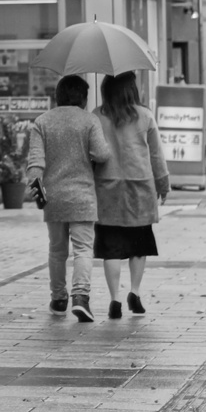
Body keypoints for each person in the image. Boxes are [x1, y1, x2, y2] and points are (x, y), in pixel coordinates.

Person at [27, 74, 111, 323]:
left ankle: (59, 299)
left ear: (58, 96)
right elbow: (101, 154)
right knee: (83, 249)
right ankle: (81, 298)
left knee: (57, 250)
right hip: (83, 196)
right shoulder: (89, 120)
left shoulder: (42, 122)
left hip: (53, 198)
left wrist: (39, 194)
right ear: (83, 98)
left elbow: (35, 165)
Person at [93, 71, 169, 319]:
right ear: (131, 90)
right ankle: (134, 292)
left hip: (107, 188)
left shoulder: (97, 117)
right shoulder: (145, 116)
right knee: (139, 244)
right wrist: (163, 184)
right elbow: (156, 155)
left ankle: (114, 298)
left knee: (111, 246)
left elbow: (91, 154)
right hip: (140, 188)